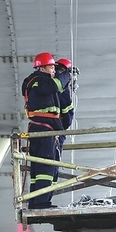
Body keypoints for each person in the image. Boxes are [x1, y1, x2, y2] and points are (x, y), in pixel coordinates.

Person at [22, 52, 70, 209]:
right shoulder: (39, 80)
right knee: (46, 167)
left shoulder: (34, 81)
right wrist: (66, 75)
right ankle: (42, 202)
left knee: (38, 169)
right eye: (51, 67)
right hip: (44, 130)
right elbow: (55, 85)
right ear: (41, 68)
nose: (54, 71)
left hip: (39, 129)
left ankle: (35, 201)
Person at [54, 58, 76, 185]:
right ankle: (47, 197)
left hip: (43, 129)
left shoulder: (49, 83)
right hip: (57, 128)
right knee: (53, 163)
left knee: (41, 166)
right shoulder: (62, 85)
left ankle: (40, 198)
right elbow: (67, 110)